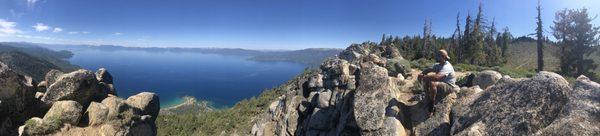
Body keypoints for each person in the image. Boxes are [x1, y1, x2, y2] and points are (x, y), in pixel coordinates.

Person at [418, 49, 457, 116]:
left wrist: (423, 77)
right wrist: (422, 73)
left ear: (443, 57)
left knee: (432, 82)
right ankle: (427, 98)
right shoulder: (438, 65)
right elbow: (428, 69)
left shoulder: (447, 66)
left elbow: (437, 77)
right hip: (441, 83)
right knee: (428, 79)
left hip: (449, 86)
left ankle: (431, 107)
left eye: (438, 56)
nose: (436, 57)